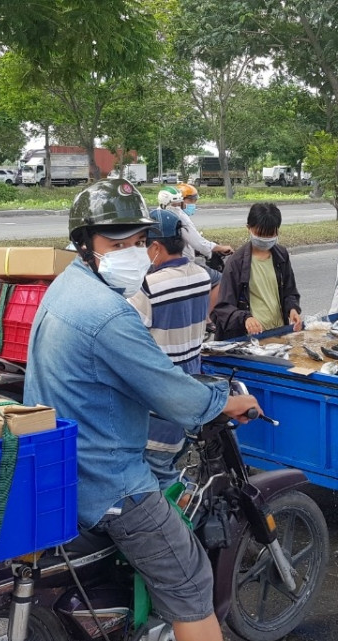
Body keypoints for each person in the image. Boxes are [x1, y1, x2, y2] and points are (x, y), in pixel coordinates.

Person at [24, 178, 259, 641]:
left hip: (61, 462)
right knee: (191, 583)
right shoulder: (109, 315)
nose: (131, 253)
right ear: (85, 242)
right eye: (116, 242)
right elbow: (176, 395)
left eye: (136, 242)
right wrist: (227, 401)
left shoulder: (65, 287)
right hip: (109, 480)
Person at [128, 208, 213, 488]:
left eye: (141, 244)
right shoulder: (200, 275)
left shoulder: (149, 287)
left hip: (159, 406)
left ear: (155, 246)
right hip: (189, 393)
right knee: (172, 467)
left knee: (156, 480)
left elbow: (126, 334)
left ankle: (185, 524)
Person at [211, 202, 303, 339]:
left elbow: (290, 292)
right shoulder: (236, 263)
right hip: (252, 338)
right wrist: (245, 318)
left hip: (279, 332)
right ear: (249, 228)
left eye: (270, 234)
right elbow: (223, 307)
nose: (265, 239)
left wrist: (293, 309)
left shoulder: (281, 255)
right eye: (260, 234)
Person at [158, 184, 233, 316]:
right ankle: (206, 318)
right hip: (183, 266)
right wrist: (219, 247)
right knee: (222, 280)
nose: (181, 206)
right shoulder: (179, 218)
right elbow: (199, 243)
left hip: (160, 265)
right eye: (189, 201)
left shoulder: (156, 215)